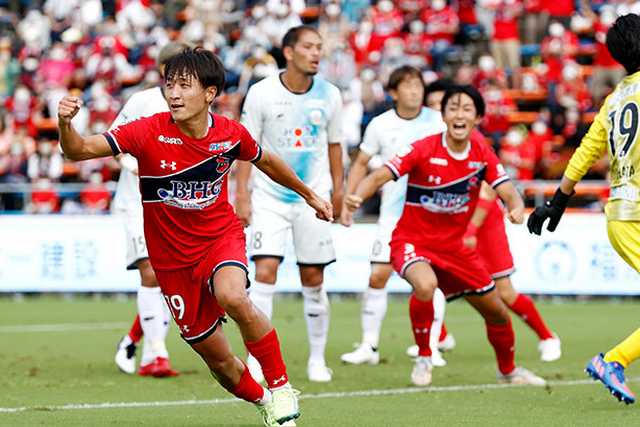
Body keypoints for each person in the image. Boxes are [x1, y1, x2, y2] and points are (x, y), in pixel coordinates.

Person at [58, 47, 334, 426]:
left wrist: (310, 195)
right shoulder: (146, 131)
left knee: (233, 296)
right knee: (220, 362)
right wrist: (65, 124)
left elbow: (266, 161)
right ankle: (265, 402)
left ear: (209, 93)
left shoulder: (230, 134)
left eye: (184, 86)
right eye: (169, 85)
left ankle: (281, 385)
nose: (174, 94)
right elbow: (78, 151)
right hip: (172, 261)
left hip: (219, 238)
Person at [345, 84, 545, 387]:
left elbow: (507, 190)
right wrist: (357, 196)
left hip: (456, 249)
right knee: (425, 285)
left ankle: (508, 371)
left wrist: (516, 208)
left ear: (478, 117)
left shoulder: (482, 152)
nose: (459, 115)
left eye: (467, 109)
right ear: (444, 115)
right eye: (453, 108)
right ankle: (425, 356)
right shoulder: (422, 148)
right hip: (413, 241)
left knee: (498, 314)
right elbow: (379, 176)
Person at [528, 14, 640, 404]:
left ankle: (614, 361)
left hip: (621, 214)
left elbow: (586, 152)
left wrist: (557, 202)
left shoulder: (615, 99)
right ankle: (613, 361)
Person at [407, 80, 561, 363]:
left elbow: (490, 191)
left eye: (443, 104)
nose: (444, 111)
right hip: (453, 225)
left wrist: (471, 229)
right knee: (428, 279)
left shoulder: (473, 141)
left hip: (483, 224)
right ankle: (437, 339)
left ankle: (547, 337)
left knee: (504, 291)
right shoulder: (430, 141)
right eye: (435, 105)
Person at [235, 25, 343, 383]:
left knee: (313, 277)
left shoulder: (330, 94)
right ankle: (256, 360)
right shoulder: (261, 93)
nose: (316, 53)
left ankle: (317, 359)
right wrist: (242, 194)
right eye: (308, 47)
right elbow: (246, 146)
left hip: (315, 196)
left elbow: (335, 146)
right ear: (289, 52)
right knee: (264, 272)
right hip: (269, 197)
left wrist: (339, 192)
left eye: (319, 47)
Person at [338, 66, 450, 367]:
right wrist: (350, 199)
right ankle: (369, 346)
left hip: (432, 215)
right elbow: (361, 162)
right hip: (393, 215)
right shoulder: (380, 124)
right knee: (378, 275)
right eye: (408, 85)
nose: (415, 91)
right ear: (393, 92)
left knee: (431, 281)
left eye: (418, 85)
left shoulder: (438, 121)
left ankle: (431, 346)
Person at [113, 41, 190, 378]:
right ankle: (156, 355)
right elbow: (115, 142)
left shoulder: (195, 106)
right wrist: (135, 165)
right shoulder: (141, 102)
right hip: (136, 201)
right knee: (151, 272)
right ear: (163, 72)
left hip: (175, 204)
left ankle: (132, 340)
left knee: (172, 277)